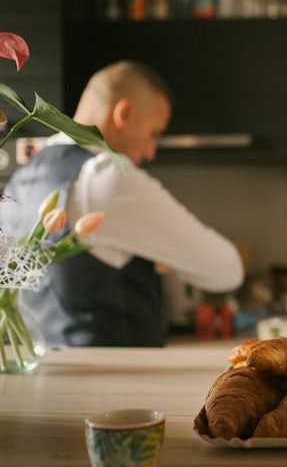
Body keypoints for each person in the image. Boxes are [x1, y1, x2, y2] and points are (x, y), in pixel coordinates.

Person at [0, 60, 244, 347]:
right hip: (114, 376)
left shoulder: (27, 172)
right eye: (154, 133)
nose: (151, 151)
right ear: (124, 113)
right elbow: (226, 270)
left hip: (43, 375)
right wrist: (164, 256)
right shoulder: (106, 177)